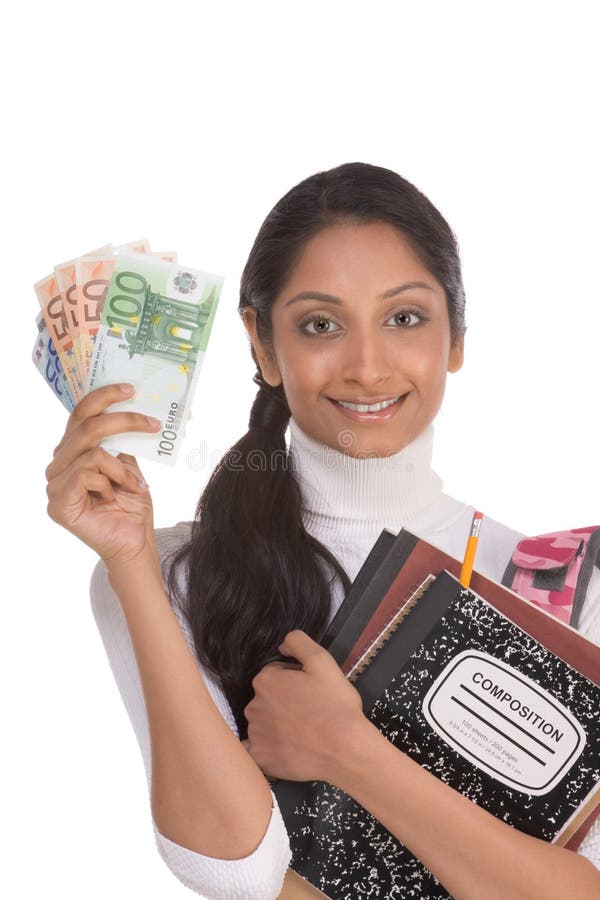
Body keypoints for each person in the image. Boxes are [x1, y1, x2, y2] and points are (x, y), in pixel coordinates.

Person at [45, 162, 600, 899]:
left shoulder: (560, 578)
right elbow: (233, 869)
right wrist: (129, 565)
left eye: (404, 318)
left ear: (456, 338)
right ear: (264, 346)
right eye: (319, 325)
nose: (367, 368)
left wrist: (347, 750)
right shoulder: (169, 570)